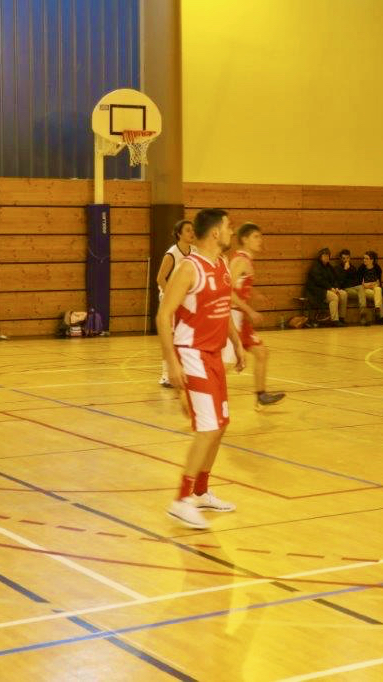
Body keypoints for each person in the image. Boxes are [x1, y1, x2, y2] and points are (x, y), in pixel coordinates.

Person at [158, 208, 246, 530]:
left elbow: (222, 309)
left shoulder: (221, 264)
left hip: (214, 354)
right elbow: (163, 316)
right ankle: (181, 501)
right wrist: (172, 363)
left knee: (220, 426)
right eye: (228, 226)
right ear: (215, 233)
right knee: (207, 428)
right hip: (192, 354)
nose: (232, 231)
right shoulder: (188, 268)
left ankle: (200, 492)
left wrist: (235, 342)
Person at [229, 222, 286, 409]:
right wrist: (249, 310)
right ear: (244, 239)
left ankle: (261, 396)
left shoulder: (246, 260)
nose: (260, 240)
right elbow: (227, 291)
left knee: (261, 353)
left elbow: (241, 285)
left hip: (241, 318)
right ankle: (197, 392)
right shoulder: (240, 260)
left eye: (260, 236)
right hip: (232, 317)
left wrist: (256, 294)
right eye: (256, 236)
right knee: (227, 363)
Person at [155, 219, 195, 387]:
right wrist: (172, 296)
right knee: (169, 337)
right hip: (170, 300)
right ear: (179, 234)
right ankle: (165, 375)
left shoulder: (194, 251)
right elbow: (160, 278)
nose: (192, 233)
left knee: (184, 336)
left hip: (185, 301)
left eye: (193, 230)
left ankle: (183, 370)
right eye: (188, 230)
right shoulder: (172, 253)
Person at [305, 248, 347, 325]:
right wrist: (330, 288)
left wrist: (336, 288)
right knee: (334, 297)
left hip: (329, 289)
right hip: (316, 291)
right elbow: (319, 281)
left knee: (343, 294)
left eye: (328, 256)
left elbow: (335, 279)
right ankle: (335, 320)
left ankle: (341, 318)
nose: (326, 257)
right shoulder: (315, 267)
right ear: (320, 257)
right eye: (324, 256)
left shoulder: (329, 267)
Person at [358, 250, 383, 324]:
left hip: (374, 288)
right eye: (364, 258)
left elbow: (378, 282)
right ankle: (381, 316)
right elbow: (361, 284)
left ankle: (377, 308)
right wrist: (369, 285)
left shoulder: (377, 268)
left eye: (367, 258)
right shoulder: (361, 268)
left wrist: (372, 285)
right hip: (365, 290)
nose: (364, 260)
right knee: (378, 296)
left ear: (372, 260)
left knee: (378, 289)